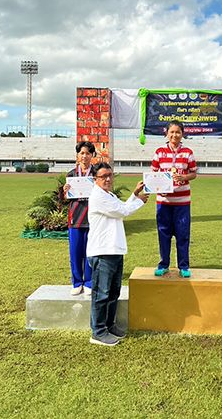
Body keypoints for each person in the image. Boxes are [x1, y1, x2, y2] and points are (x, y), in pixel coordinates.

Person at [87, 162, 148, 346]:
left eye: (110, 175)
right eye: (103, 176)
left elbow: (121, 206)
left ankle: (109, 325)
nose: (108, 179)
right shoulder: (98, 196)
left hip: (114, 249)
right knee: (101, 293)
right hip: (102, 251)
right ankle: (98, 332)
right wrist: (139, 201)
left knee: (113, 292)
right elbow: (122, 211)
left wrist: (135, 194)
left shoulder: (108, 195)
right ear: (95, 179)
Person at [151, 120, 197, 278]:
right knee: (163, 233)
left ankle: (183, 266)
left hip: (182, 201)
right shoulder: (159, 152)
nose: (175, 135)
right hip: (163, 202)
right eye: (172, 132)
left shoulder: (188, 152)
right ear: (167, 133)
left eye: (178, 132)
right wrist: (159, 189)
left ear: (182, 134)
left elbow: (193, 173)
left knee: (183, 234)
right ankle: (164, 264)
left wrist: (183, 177)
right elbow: (153, 174)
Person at [63, 141, 96, 296]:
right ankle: (77, 283)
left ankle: (89, 282)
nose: (85, 156)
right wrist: (66, 191)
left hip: (92, 218)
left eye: (88, 153)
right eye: (82, 153)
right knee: (75, 252)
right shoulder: (71, 174)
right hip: (75, 218)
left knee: (90, 252)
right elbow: (66, 197)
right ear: (77, 155)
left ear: (92, 155)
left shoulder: (96, 173)